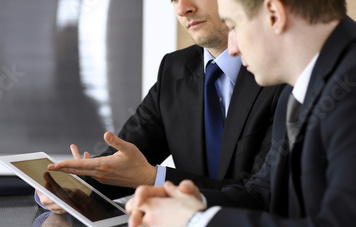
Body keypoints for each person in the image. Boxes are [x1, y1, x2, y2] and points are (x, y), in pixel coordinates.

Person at [127, 0, 356, 227]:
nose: (231, 48)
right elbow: (262, 196)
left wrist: (196, 225)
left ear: (274, 14)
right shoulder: (298, 93)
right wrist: (184, 205)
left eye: (233, 26)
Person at [37, 0, 284, 213]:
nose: (183, 9)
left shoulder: (282, 70)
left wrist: (154, 179)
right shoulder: (174, 68)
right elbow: (126, 160)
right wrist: (69, 186)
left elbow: (262, 193)